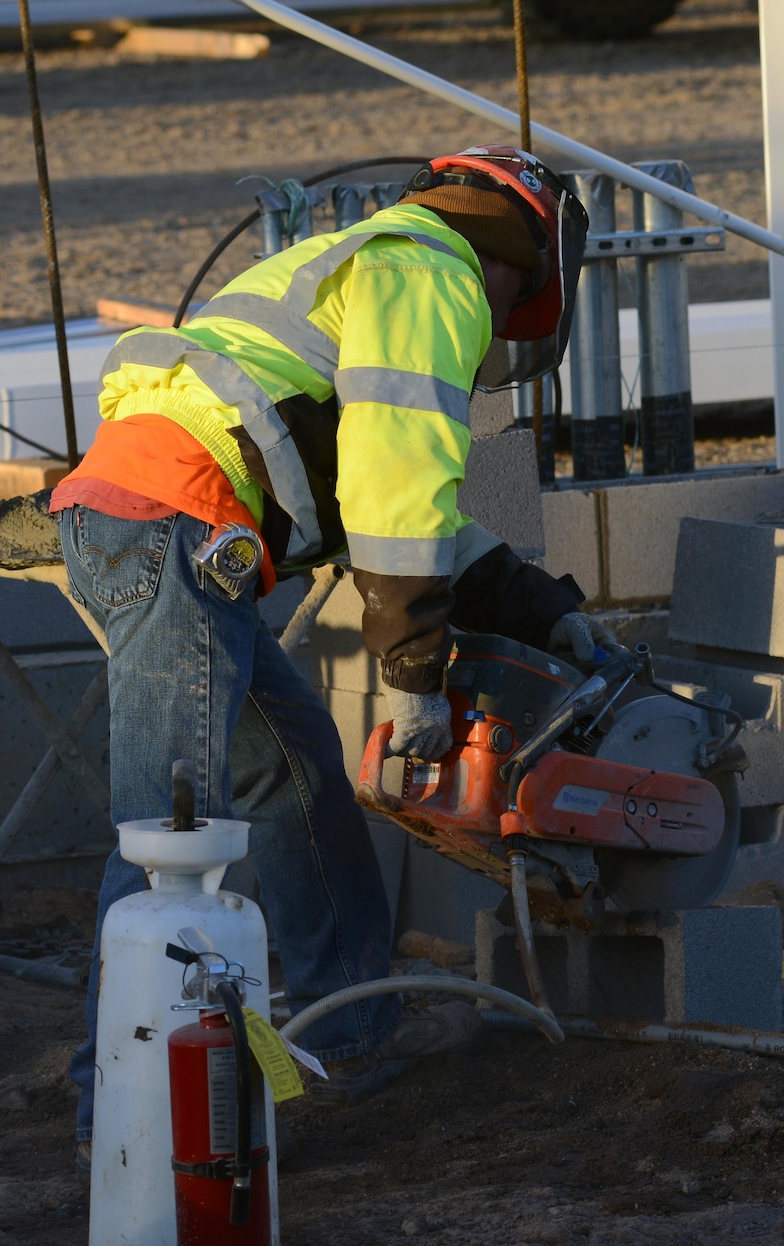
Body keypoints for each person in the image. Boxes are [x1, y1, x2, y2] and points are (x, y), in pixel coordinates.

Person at [52, 146, 614, 1166]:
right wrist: (412, 681)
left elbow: (394, 501)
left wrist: (548, 614)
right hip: (180, 535)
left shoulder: (358, 264)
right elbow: (398, 506)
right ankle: (120, 1128)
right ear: (526, 263)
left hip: (151, 523)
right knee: (167, 838)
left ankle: (343, 1035)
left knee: (296, 774)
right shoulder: (432, 274)